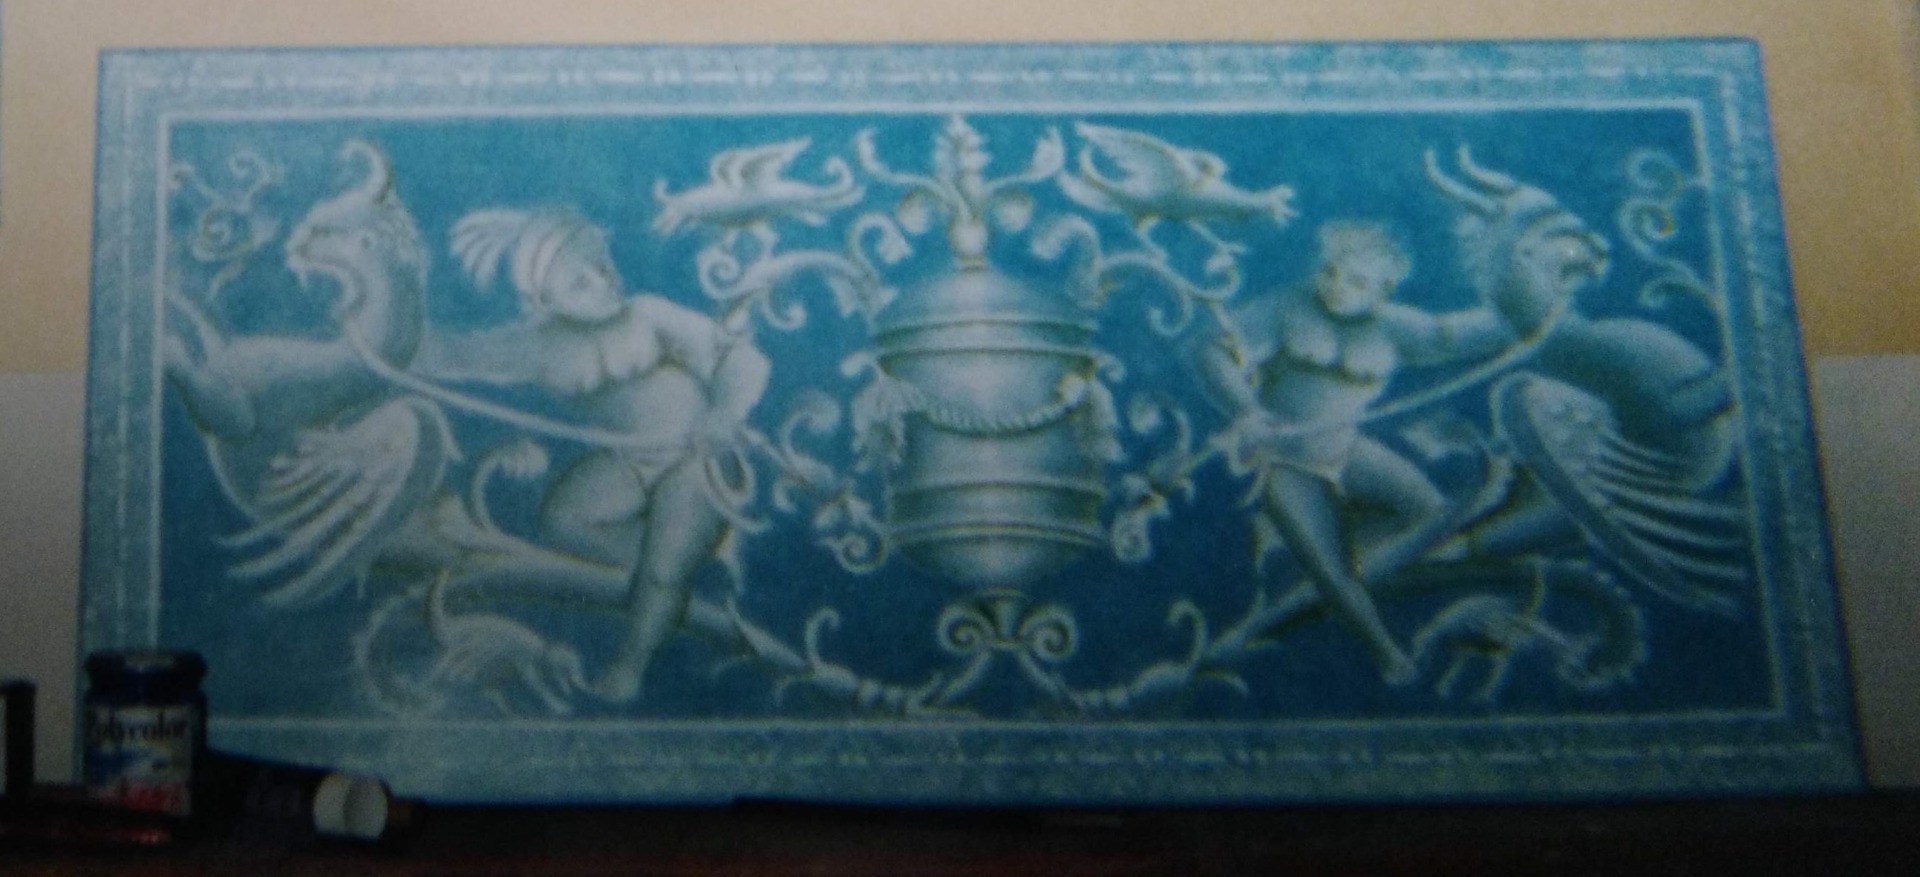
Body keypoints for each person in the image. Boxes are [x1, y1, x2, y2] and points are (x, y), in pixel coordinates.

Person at [418, 207, 771, 703]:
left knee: (664, 563)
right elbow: (459, 355)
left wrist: (723, 414)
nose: (604, 282)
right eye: (579, 283)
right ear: (543, 300)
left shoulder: (646, 314)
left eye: (602, 265)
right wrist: (396, 340)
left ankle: (632, 662)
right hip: (631, 463)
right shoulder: (538, 346)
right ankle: (669, 574)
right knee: (563, 517)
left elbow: (740, 358)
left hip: (697, 458)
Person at [1197, 221, 1509, 685]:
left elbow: (1453, 335)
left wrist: (1529, 310)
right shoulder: (1287, 306)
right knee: (1333, 571)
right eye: (1329, 272)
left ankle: (1318, 565)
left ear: (1384, 288)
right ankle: (1387, 654)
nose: (1337, 287)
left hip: (1346, 447)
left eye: (1357, 282)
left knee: (1431, 512)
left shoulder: (1395, 326)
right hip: (1284, 457)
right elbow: (1213, 349)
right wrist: (1247, 410)